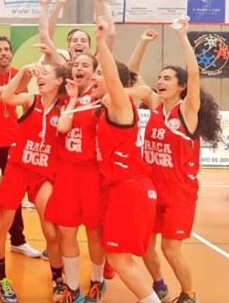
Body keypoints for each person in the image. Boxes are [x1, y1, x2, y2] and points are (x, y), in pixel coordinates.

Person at [140, 18, 222, 303]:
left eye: (167, 78)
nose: (160, 81)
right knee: (144, 246)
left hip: (179, 194)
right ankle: (159, 287)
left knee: (171, 249)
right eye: (159, 77)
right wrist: (143, 44)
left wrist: (182, 36)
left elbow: (194, 72)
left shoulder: (187, 112)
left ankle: (189, 295)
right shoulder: (153, 106)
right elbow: (131, 77)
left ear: (181, 87)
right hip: (151, 190)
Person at [91, 17, 160, 303]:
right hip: (126, 189)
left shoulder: (120, 105)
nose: (93, 79)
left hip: (131, 189)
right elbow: (131, 79)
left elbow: (116, 76)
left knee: (120, 259)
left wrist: (101, 42)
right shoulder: (116, 103)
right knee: (120, 258)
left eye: (97, 75)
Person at [0, 61, 69, 302]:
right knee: (0, 227)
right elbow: (7, 96)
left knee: (52, 231)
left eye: (45, 73)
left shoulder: (66, 107)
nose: (40, 76)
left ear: (59, 81)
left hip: (43, 174)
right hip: (18, 168)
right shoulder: (31, 100)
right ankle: (0, 278)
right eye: (39, 74)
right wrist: (25, 71)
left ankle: (58, 279)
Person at [45, 53, 108, 303]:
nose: (79, 68)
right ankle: (72, 289)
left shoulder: (101, 99)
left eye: (85, 65)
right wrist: (71, 100)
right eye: (76, 65)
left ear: (95, 72)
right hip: (67, 173)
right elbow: (62, 127)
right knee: (66, 231)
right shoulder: (64, 99)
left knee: (94, 232)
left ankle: (97, 281)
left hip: (92, 173)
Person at [0, 36, 41, 261]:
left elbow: (17, 91)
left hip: (13, 142)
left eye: (6, 50)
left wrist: (24, 74)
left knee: (14, 197)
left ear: (10, 53)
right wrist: (20, 77)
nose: (3, 53)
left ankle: (17, 240)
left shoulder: (19, 72)